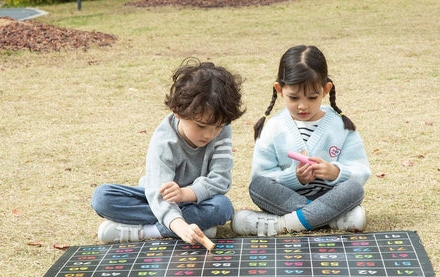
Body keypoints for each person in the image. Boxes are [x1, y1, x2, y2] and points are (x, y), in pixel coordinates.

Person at [91, 58, 245, 245]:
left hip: (197, 200)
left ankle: (148, 230)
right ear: (177, 111)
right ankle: (185, 225)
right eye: (201, 126)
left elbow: (221, 180)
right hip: (157, 199)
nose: (210, 134)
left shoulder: (221, 128)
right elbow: (157, 193)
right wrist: (180, 226)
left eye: (218, 127)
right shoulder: (164, 141)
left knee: (223, 207)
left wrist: (185, 194)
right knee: (102, 197)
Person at [231, 45, 371, 237]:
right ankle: (331, 220)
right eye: (293, 97)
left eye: (312, 97)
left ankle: (281, 224)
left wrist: (335, 172)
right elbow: (261, 176)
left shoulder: (341, 125)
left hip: (331, 197)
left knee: (354, 189)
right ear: (279, 90)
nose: (303, 106)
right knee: (258, 187)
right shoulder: (274, 127)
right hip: (286, 199)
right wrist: (293, 177)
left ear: (325, 90)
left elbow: (361, 170)